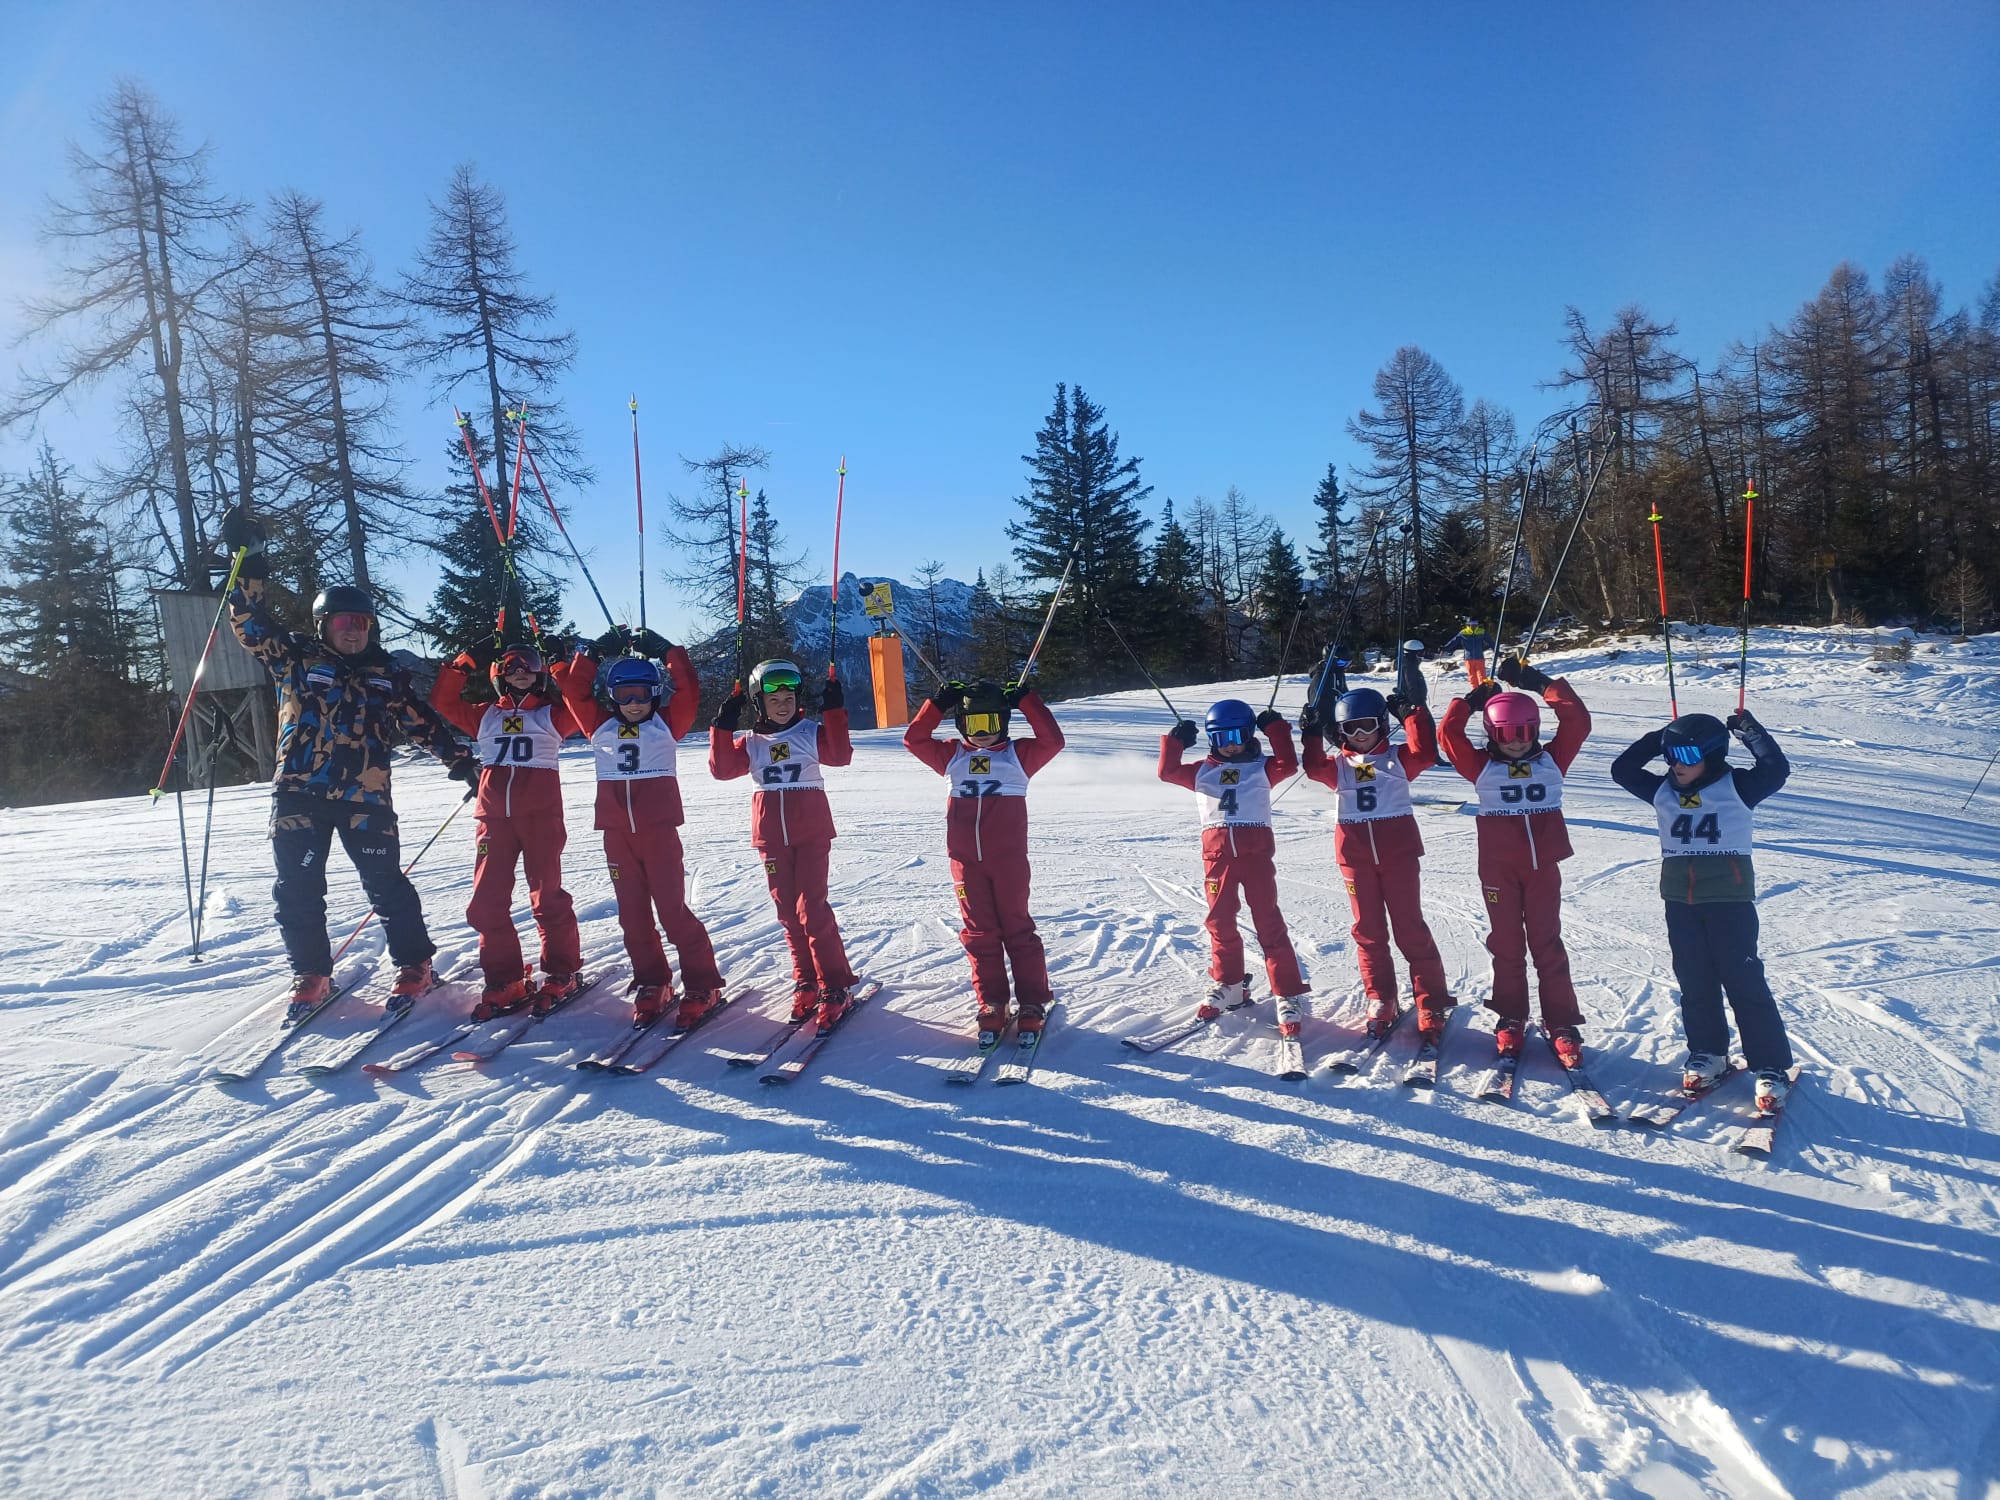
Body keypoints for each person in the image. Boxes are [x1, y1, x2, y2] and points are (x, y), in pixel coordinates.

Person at [218, 505, 478, 1019]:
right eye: (343, 622)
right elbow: (248, 622)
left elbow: (421, 722)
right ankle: (311, 973)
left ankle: (415, 965)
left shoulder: (386, 674)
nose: (353, 632)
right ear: (324, 625)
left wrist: (461, 761)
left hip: (366, 798)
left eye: (361, 623)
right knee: (297, 890)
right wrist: (247, 563)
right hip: (299, 793)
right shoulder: (295, 658)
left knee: (386, 885)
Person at [1609, 709, 1796, 1110]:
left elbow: (1776, 769)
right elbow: (1621, 769)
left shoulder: (1739, 787)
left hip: (1729, 902)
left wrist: (1750, 731)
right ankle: (1709, 1052)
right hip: (1680, 902)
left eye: (1686, 756)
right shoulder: (1662, 790)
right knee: (1694, 980)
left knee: (1744, 982)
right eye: (1670, 756)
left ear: (1711, 756)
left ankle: (1771, 1066)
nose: (1675, 765)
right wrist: (1663, 736)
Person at [553, 626, 725, 1030]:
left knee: (672, 913)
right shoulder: (598, 726)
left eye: (642, 694)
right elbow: (574, 691)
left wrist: (668, 651)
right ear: (611, 697)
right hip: (616, 836)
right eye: (624, 695)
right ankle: (653, 981)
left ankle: (703, 984)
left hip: (659, 834)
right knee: (632, 918)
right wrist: (593, 653)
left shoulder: (668, 724)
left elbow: (689, 689)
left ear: (655, 695)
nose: (633, 703)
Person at [1437, 656, 1592, 1064]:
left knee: (1547, 944)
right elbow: (1448, 734)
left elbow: (1577, 721)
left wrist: (1536, 681)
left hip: (1543, 869)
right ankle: (1510, 1016)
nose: (1517, 741)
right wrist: (1471, 700)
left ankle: (1561, 1021)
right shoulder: (1481, 767)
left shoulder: (1553, 760)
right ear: (1492, 733)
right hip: (1498, 871)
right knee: (1506, 945)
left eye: (1525, 732)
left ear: (1536, 731)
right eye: (1506, 733)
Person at [430, 637, 587, 1018]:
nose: (520, 673)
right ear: (499, 675)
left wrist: (561, 665)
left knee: (546, 898)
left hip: (540, 819)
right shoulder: (484, 715)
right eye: (511, 667)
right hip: (493, 820)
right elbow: (443, 701)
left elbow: (582, 705)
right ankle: (506, 978)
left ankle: (562, 971)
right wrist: (466, 660)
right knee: (486, 903)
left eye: (528, 667)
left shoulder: (550, 714)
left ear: (538, 675)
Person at [903, 678, 1066, 1042]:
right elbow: (914, 740)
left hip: (1008, 862)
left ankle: (1032, 1002)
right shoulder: (952, 756)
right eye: (973, 724)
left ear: (1003, 722)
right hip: (965, 863)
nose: (982, 734)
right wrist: (936, 704)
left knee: (1017, 929)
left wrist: (1027, 701)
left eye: (990, 723)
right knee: (979, 934)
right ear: (962, 724)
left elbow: (1053, 741)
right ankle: (992, 1001)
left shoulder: (1018, 756)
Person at [709, 659, 859, 1032]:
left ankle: (835, 984)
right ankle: (806, 980)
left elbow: (840, 756)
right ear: (759, 702)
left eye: (789, 698)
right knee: (788, 913)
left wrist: (834, 709)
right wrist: (723, 724)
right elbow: (722, 769)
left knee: (812, 910)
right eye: (774, 699)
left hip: (810, 834)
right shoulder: (752, 742)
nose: (783, 705)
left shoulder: (810, 732)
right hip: (771, 837)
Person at [1301, 686, 1453, 1043]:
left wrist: (1412, 715)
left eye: (1367, 725)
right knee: (1368, 930)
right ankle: (1381, 996)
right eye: (1350, 728)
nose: (1359, 735)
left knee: (1410, 928)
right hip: (1355, 857)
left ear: (1382, 724)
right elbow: (1312, 767)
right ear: (1340, 732)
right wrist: (1311, 732)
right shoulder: (1338, 766)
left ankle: (1431, 1001)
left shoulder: (1398, 759)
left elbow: (1425, 753)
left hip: (1398, 854)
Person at [1157, 699, 1310, 1031]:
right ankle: (1230, 984)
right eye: (1221, 737)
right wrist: (1176, 742)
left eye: (1237, 735)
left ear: (1249, 733)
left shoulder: (1262, 768)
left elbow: (1288, 764)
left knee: (1268, 922)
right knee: (1220, 921)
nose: (1230, 744)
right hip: (1218, 859)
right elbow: (1167, 772)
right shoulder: (1202, 771)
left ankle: (1286, 991)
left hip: (1256, 859)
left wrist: (1276, 729)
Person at [1455, 619, 1493, 688]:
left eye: (1475, 623)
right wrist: (1445, 648)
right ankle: (1475, 691)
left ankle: (1483, 690)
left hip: (1479, 658)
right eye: (1471, 624)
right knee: (1472, 677)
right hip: (1469, 659)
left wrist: (1497, 650)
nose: (1473, 625)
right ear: (1468, 624)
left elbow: (1491, 642)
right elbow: (1454, 641)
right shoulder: (1463, 632)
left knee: (1482, 676)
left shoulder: (1482, 632)